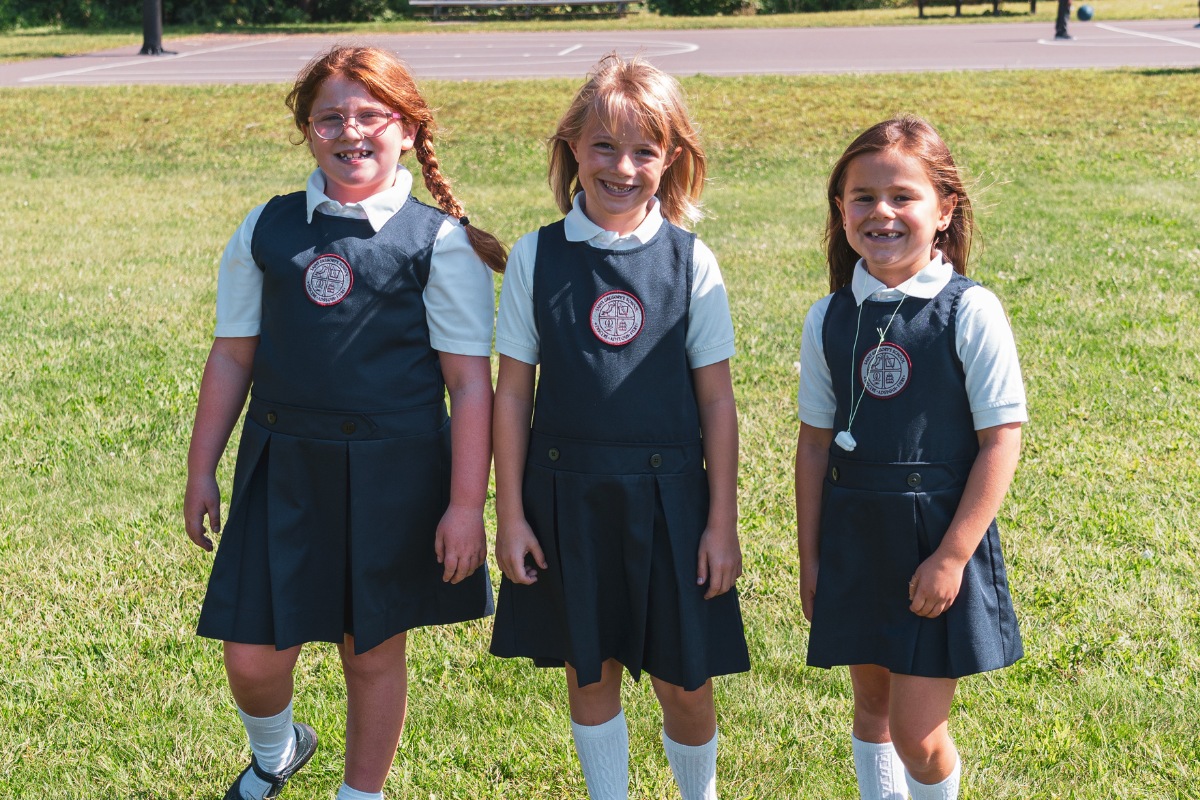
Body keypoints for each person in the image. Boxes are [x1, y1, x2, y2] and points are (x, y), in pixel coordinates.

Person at [183, 45, 505, 800]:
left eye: (369, 115)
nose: (350, 131)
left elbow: (469, 383)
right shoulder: (266, 229)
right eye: (329, 116)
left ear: (406, 126)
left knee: (371, 653)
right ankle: (276, 751)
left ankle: (362, 793)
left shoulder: (439, 241)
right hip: (284, 465)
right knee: (253, 656)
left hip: (394, 475)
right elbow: (233, 357)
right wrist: (203, 466)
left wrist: (465, 506)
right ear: (306, 131)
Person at [489, 54, 750, 800]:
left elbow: (717, 403)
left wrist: (721, 521)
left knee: (685, 682)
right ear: (573, 145)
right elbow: (512, 396)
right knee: (589, 669)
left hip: (673, 500)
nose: (622, 166)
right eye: (604, 145)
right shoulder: (538, 255)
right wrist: (509, 515)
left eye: (643, 150)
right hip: (567, 496)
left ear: (671, 159)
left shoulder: (692, 262)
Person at [794, 115, 1025, 800]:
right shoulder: (828, 317)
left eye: (903, 195)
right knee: (871, 707)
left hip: (935, 540)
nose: (882, 212)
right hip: (856, 538)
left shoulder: (969, 310)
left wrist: (952, 555)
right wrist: (812, 559)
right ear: (841, 211)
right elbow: (812, 446)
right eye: (862, 197)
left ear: (945, 208)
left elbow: (1000, 440)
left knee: (915, 734)